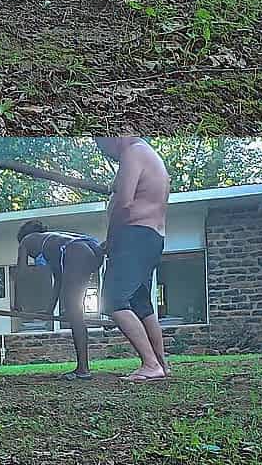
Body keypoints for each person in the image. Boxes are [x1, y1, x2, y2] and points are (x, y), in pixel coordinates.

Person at [95, 137, 171, 382]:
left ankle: (150, 364)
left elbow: (124, 203)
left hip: (135, 235)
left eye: (101, 145)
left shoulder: (132, 152)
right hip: (151, 237)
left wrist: (111, 238)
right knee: (141, 304)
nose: (104, 152)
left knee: (113, 301)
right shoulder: (148, 154)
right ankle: (161, 364)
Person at [16, 220, 105, 381]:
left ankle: (83, 369)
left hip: (77, 252)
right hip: (93, 250)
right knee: (74, 307)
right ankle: (83, 366)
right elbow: (59, 279)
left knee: (74, 311)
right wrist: (49, 310)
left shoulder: (26, 240)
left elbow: (21, 272)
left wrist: (17, 303)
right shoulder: (53, 242)